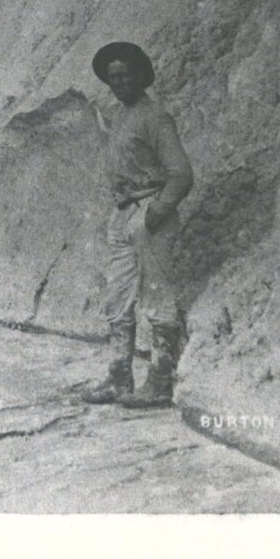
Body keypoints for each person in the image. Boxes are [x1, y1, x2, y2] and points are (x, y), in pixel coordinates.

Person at [80, 40, 193, 409]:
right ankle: (119, 376)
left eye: (126, 75)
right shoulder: (122, 117)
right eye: (113, 77)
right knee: (118, 297)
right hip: (123, 214)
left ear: (141, 76)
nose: (119, 83)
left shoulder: (155, 117)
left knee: (158, 298)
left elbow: (180, 174)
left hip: (149, 214)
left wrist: (155, 215)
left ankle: (160, 380)